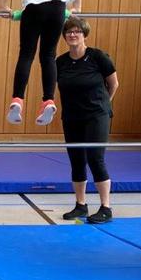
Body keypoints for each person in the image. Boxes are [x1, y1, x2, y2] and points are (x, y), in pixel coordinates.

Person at [0, 0, 82, 126]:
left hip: (34, 7)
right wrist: (77, 6)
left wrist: (2, 6)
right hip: (58, 8)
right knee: (48, 55)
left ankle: (17, 99)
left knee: (27, 54)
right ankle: (48, 101)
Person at [56, 17, 118, 224]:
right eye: (69, 32)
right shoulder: (60, 62)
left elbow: (113, 84)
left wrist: (103, 105)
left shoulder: (98, 57)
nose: (72, 35)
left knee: (95, 158)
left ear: (84, 34)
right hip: (72, 117)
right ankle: (80, 205)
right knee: (76, 160)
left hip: (96, 116)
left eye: (77, 31)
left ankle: (106, 207)